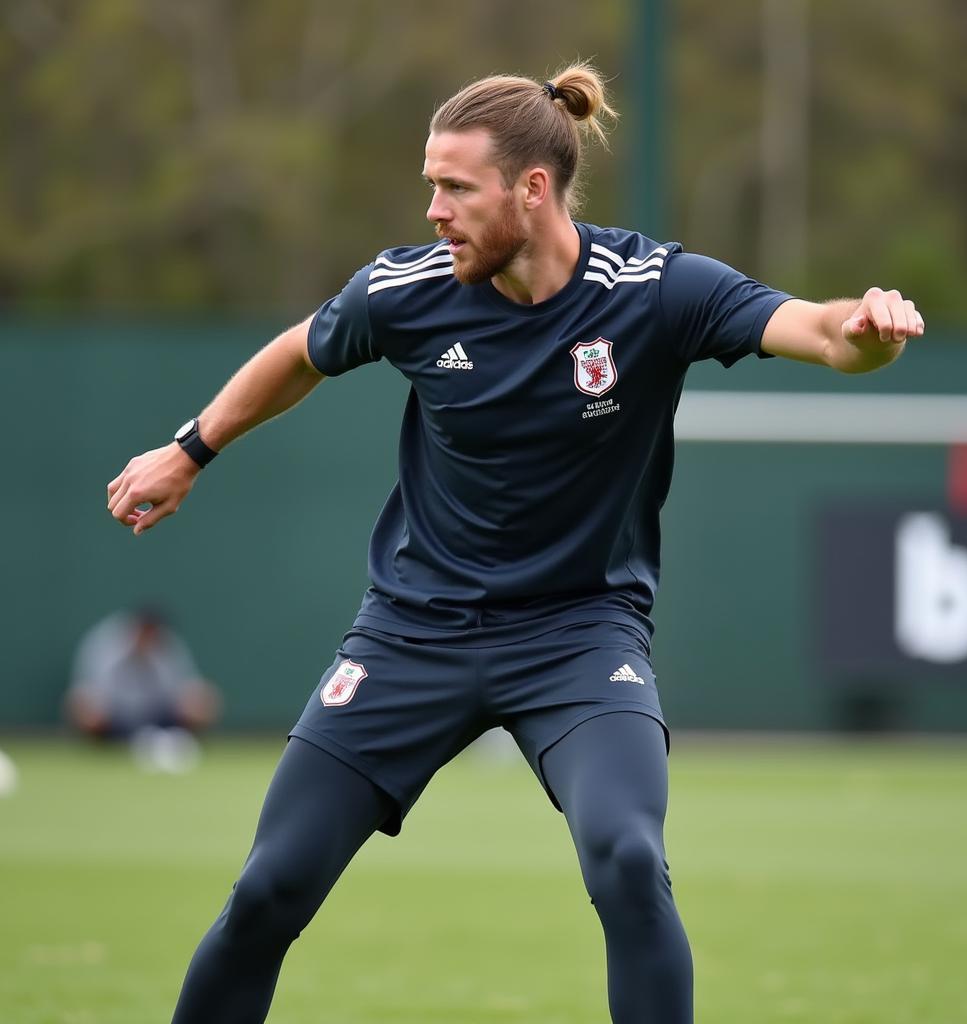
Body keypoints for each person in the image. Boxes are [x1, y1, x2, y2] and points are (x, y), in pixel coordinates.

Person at [107, 63, 924, 1024]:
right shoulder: (406, 291)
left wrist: (874, 330)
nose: (434, 210)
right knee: (267, 891)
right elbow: (300, 352)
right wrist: (191, 448)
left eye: (455, 187)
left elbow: (824, 333)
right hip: (413, 634)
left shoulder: (655, 290)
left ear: (531, 189)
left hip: (578, 639)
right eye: (429, 184)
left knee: (627, 859)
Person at [66, 606, 220, 742]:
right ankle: (104, 744)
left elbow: (183, 689)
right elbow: (90, 691)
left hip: (159, 718)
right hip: (115, 718)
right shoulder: (105, 643)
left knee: (201, 698)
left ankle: (179, 740)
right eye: (146, 632)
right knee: (84, 705)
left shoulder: (168, 646)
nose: (150, 639)